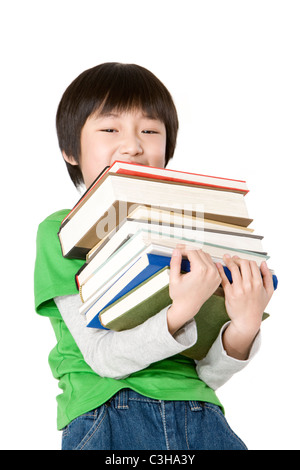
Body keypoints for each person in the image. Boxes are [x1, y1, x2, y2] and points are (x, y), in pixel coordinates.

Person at [34, 62, 274, 450]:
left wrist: (244, 328)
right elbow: (104, 360)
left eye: (149, 130)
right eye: (110, 129)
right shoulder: (62, 231)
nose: (133, 145)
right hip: (109, 413)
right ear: (70, 149)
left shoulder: (190, 229)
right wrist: (181, 310)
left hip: (202, 414)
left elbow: (205, 374)